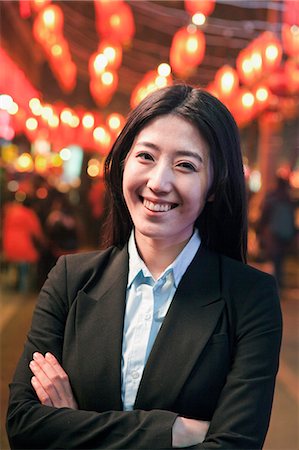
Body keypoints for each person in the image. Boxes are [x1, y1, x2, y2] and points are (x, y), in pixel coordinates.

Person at [6, 85, 282, 449]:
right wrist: (173, 432)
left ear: (214, 186)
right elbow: (24, 425)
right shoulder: (70, 279)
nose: (158, 182)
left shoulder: (251, 298)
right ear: (123, 163)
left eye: (185, 165)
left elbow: (235, 444)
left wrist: (71, 424)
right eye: (146, 157)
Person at [257, 176, 296, 289]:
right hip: (285, 234)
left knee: (273, 258)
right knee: (280, 259)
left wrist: (260, 230)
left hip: (272, 234)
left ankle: (274, 283)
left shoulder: (272, 197)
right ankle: (279, 281)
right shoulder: (289, 199)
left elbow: (264, 215)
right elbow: (292, 219)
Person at [2, 195, 45, 293]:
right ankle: (24, 289)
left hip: (9, 244)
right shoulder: (29, 214)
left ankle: (15, 286)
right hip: (24, 245)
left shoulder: (11, 212)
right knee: (26, 267)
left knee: (15, 265)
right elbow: (36, 232)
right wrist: (43, 241)